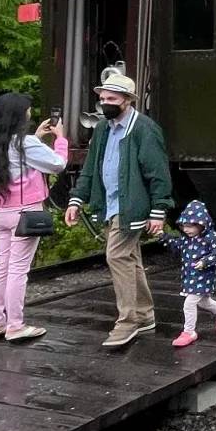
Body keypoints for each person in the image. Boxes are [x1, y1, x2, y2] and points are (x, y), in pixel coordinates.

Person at [65, 69, 173, 351]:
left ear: (128, 100)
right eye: (103, 97)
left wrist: (159, 209)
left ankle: (128, 320)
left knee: (117, 255)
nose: (105, 102)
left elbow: (157, 171)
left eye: (112, 98)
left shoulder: (143, 129)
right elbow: (90, 167)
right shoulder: (102, 129)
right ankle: (145, 314)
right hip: (110, 203)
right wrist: (77, 199)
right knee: (130, 258)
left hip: (133, 205)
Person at [0, 91, 69, 343]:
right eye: (27, 111)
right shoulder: (25, 144)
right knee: (18, 271)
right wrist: (60, 139)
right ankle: (15, 325)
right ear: (18, 116)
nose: (29, 114)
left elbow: (19, 160)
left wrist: (36, 137)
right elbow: (57, 164)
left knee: (0, 268)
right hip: (25, 216)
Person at [164, 199, 216, 348]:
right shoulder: (187, 239)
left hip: (204, 276)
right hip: (191, 276)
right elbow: (175, 245)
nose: (187, 230)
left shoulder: (212, 238)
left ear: (202, 224)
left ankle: (189, 331)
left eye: (190, 226)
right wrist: (163, 236)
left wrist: (206, 261)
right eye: (184, 226)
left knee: (189, 303)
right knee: (204, 302)